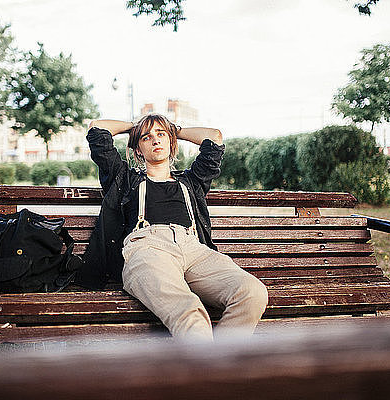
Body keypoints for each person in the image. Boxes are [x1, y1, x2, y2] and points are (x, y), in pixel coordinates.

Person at [75, 113, 268, 341]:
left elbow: (214, 138)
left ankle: (218, 366)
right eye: (146, 138)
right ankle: (216, 373)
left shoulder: (191, 182)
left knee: (252, 292)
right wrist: (136, 128)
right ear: (138, 150)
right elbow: (97, 129)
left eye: (161, 135)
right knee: (190, 314)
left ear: (171, 142)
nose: (155, 140)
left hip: (193, 249)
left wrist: (173, 129)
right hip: (147, 249)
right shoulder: (125, 179)